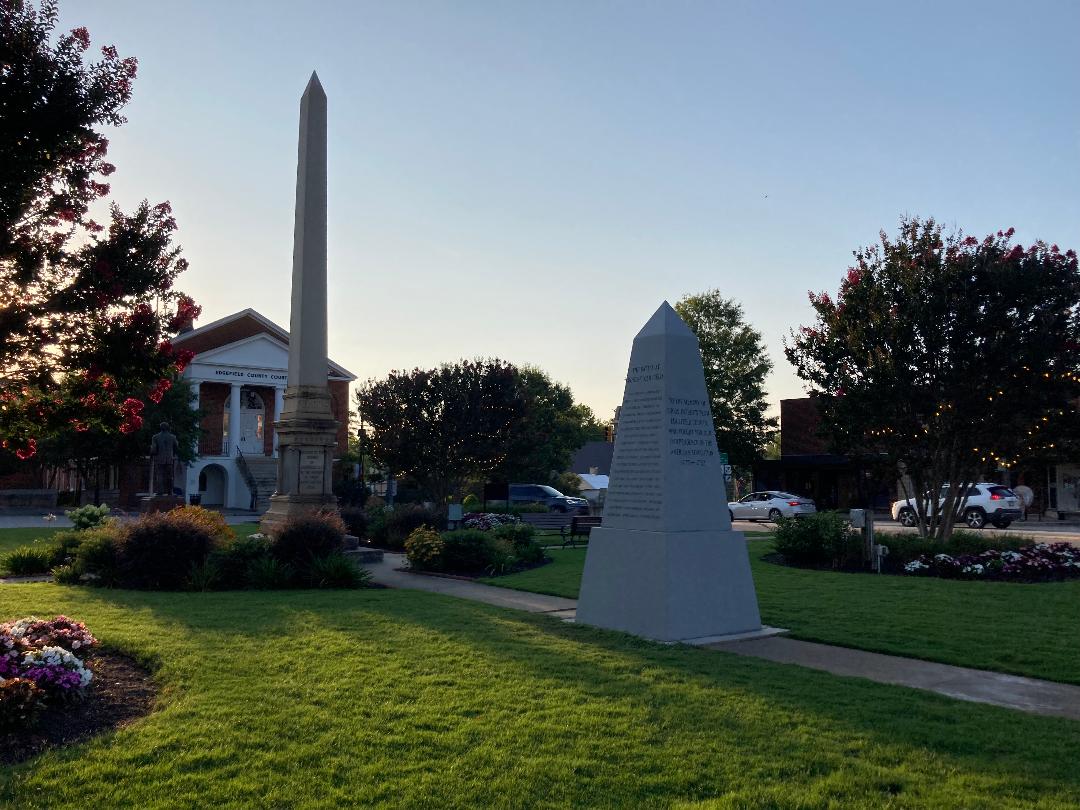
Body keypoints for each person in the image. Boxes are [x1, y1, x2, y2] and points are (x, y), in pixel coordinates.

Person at [149, 422, 179, 496]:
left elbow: (153, 449)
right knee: (170, 476)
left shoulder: (155, 437)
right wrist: (173, 455)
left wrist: (152, 454)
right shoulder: (173, 437)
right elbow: (176, 447)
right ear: (168, 428)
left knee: (160, 475)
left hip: (159, 459)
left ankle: (160, 492)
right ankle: (170, 492)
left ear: (160, 428)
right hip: (169, 459)